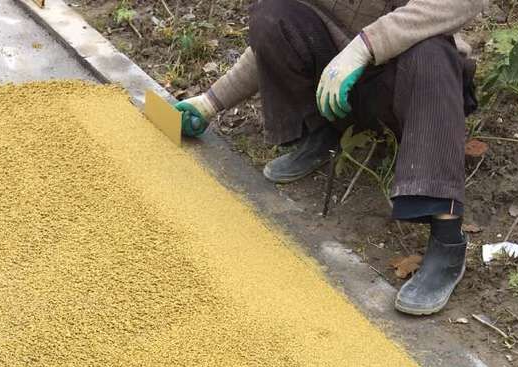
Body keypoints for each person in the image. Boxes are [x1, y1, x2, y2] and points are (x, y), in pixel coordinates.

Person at [175, 0, 484, 316]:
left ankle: (447, 242)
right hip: (341, 85)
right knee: (273, 15)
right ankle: (322, 132)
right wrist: (211, 101)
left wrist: (365, 46)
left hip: (410, 86)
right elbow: (278, 33)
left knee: (431, 52)